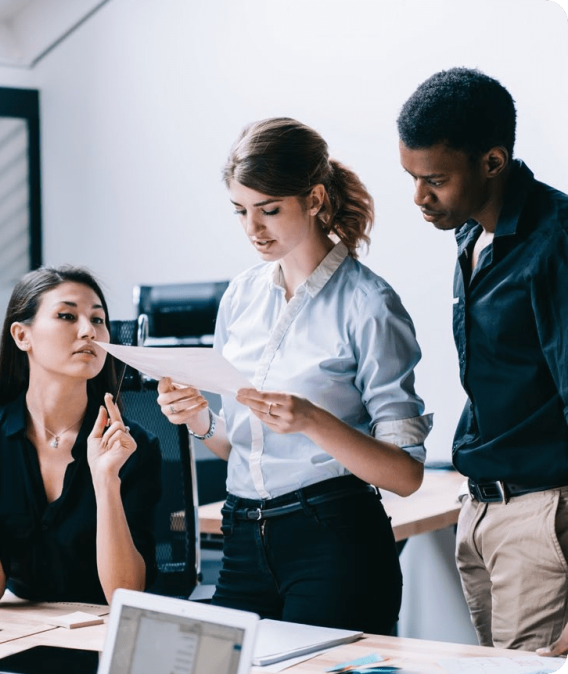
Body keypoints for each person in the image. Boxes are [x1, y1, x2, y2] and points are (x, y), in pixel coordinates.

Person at [157, 118, 431, 635]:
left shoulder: (368, 305)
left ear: (314, 199)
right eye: (241, 211)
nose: (253, 229)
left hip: (334, 543)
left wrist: (310, 420)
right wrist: (198, 419)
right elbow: (242, 449)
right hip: (241, 540)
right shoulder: (239, 297)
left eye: (269, 210)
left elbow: (405, 475)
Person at [397, 67, 568, 653]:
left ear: (492, 163)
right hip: (480, 509)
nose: (419, 197)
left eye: (434, 180)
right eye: (413, 178)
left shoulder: (556, 244)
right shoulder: (471, 235)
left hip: (542, 518)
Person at [0, 265, 162, 607]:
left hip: (100, 638)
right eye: (67, 316)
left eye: (98, 320)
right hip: (23, 633)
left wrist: (106, 481)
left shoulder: (132, 447)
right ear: (22, 336)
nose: (89, 331)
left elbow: (124, 596)